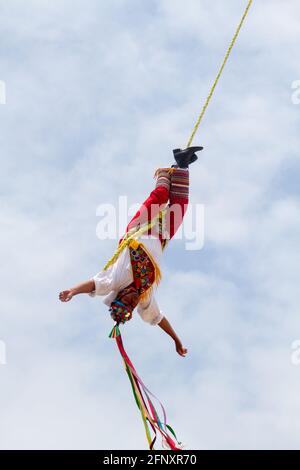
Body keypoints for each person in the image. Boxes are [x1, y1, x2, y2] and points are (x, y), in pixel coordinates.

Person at [59, 147, 203, 357]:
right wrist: (177, 340)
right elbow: (158, 318)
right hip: (160, 236)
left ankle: (165, 173)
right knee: (180, 206)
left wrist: (72, 291)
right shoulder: (144, 298)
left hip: (138, 229)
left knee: (161, 196)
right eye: (131, 305)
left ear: (120, 296)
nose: (133, 300)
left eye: (127, 301)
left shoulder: (114, 282)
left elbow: (92, 284)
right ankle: (182, 164)